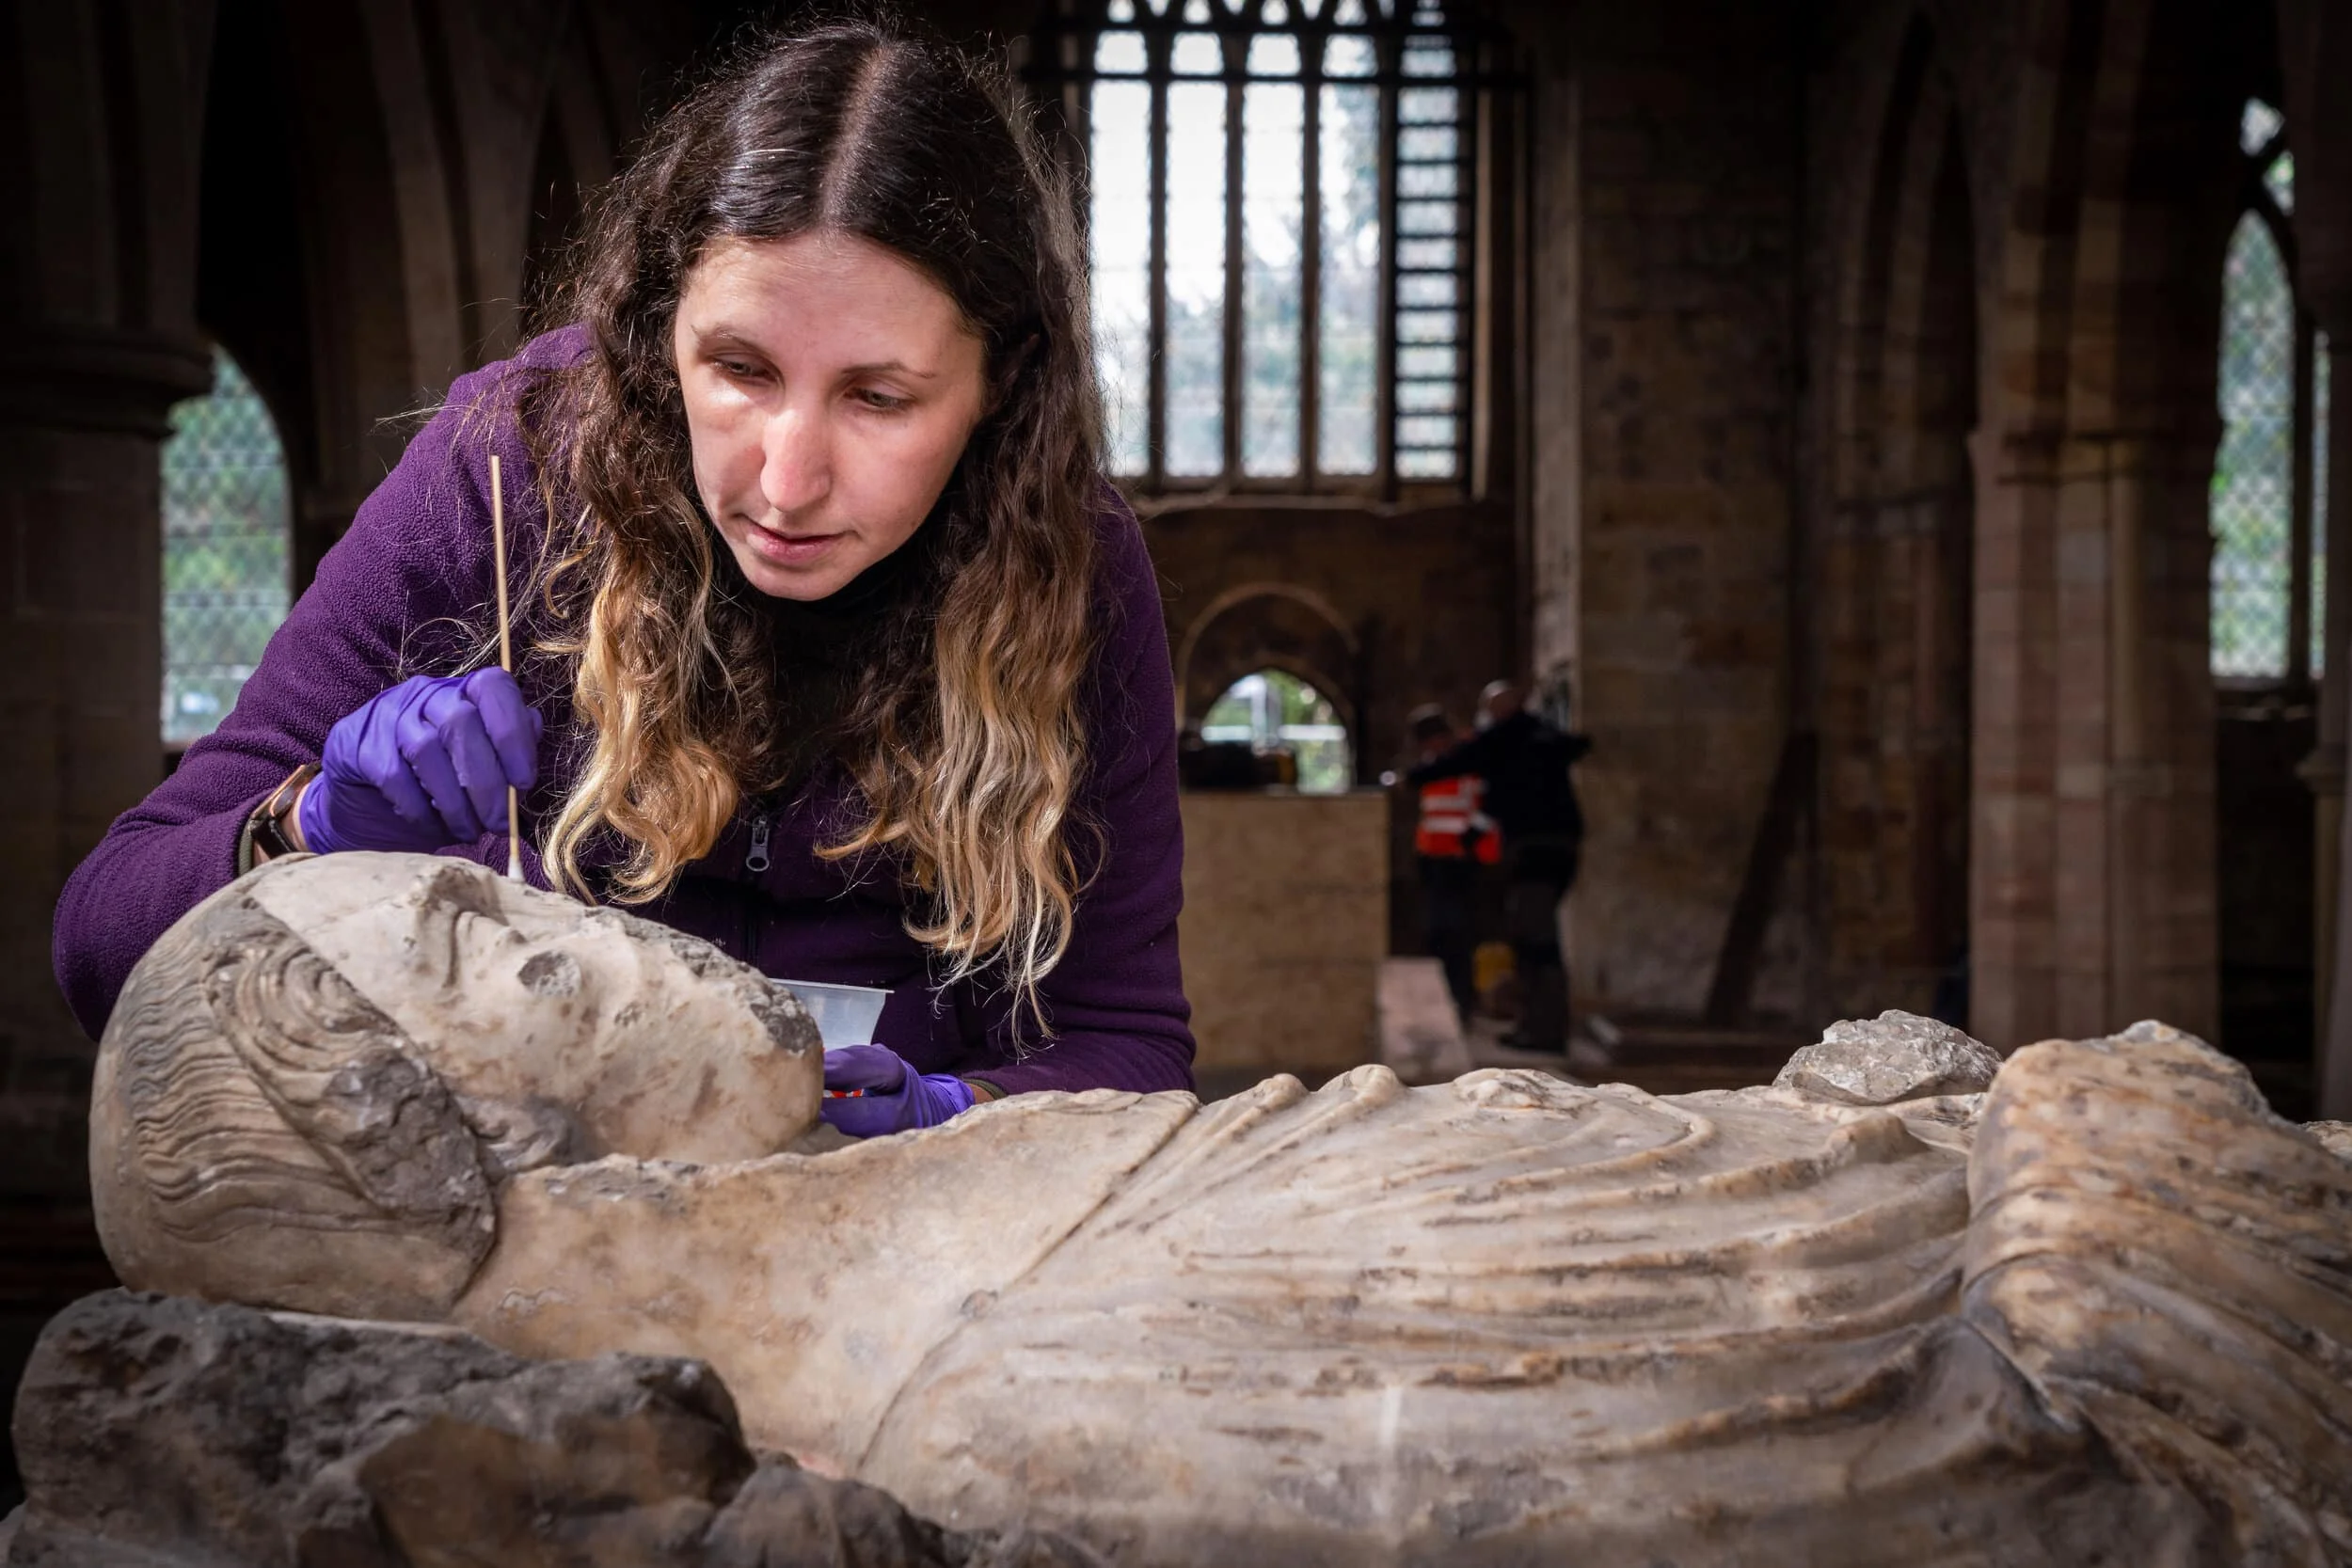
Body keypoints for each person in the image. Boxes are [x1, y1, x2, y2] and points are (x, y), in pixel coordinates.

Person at [51, 17, 1194, 1137]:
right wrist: (304, 825)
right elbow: (100, 946)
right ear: (659, 332)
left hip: (887, 1257)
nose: (788, 484)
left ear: (999, 385)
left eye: (878, 397)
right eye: (739, 369)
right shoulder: (508, 473)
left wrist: (962, 1113)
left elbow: (1130, 1043)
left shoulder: (1066, 563)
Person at [1407, 680, 1590, 1052]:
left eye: (1488, 711)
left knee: (1534, 939)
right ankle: (1539, 1025)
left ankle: (1544, 1031)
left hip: (1534, 851)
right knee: (1534, 935)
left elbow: (1455, 763)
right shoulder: (1539, 737)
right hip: (1558, 847)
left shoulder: (1506, 738)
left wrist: (1408, 780)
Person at [1405, 704, 1495, 1024]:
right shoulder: (1434, 764)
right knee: (1437, 933)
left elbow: (1488, 805)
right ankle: (1445, 1002)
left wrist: (1469, 843)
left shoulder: (1468, 760)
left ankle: (1462, 1002)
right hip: (1434, 859)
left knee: (1458, 934)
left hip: (1460, 861)